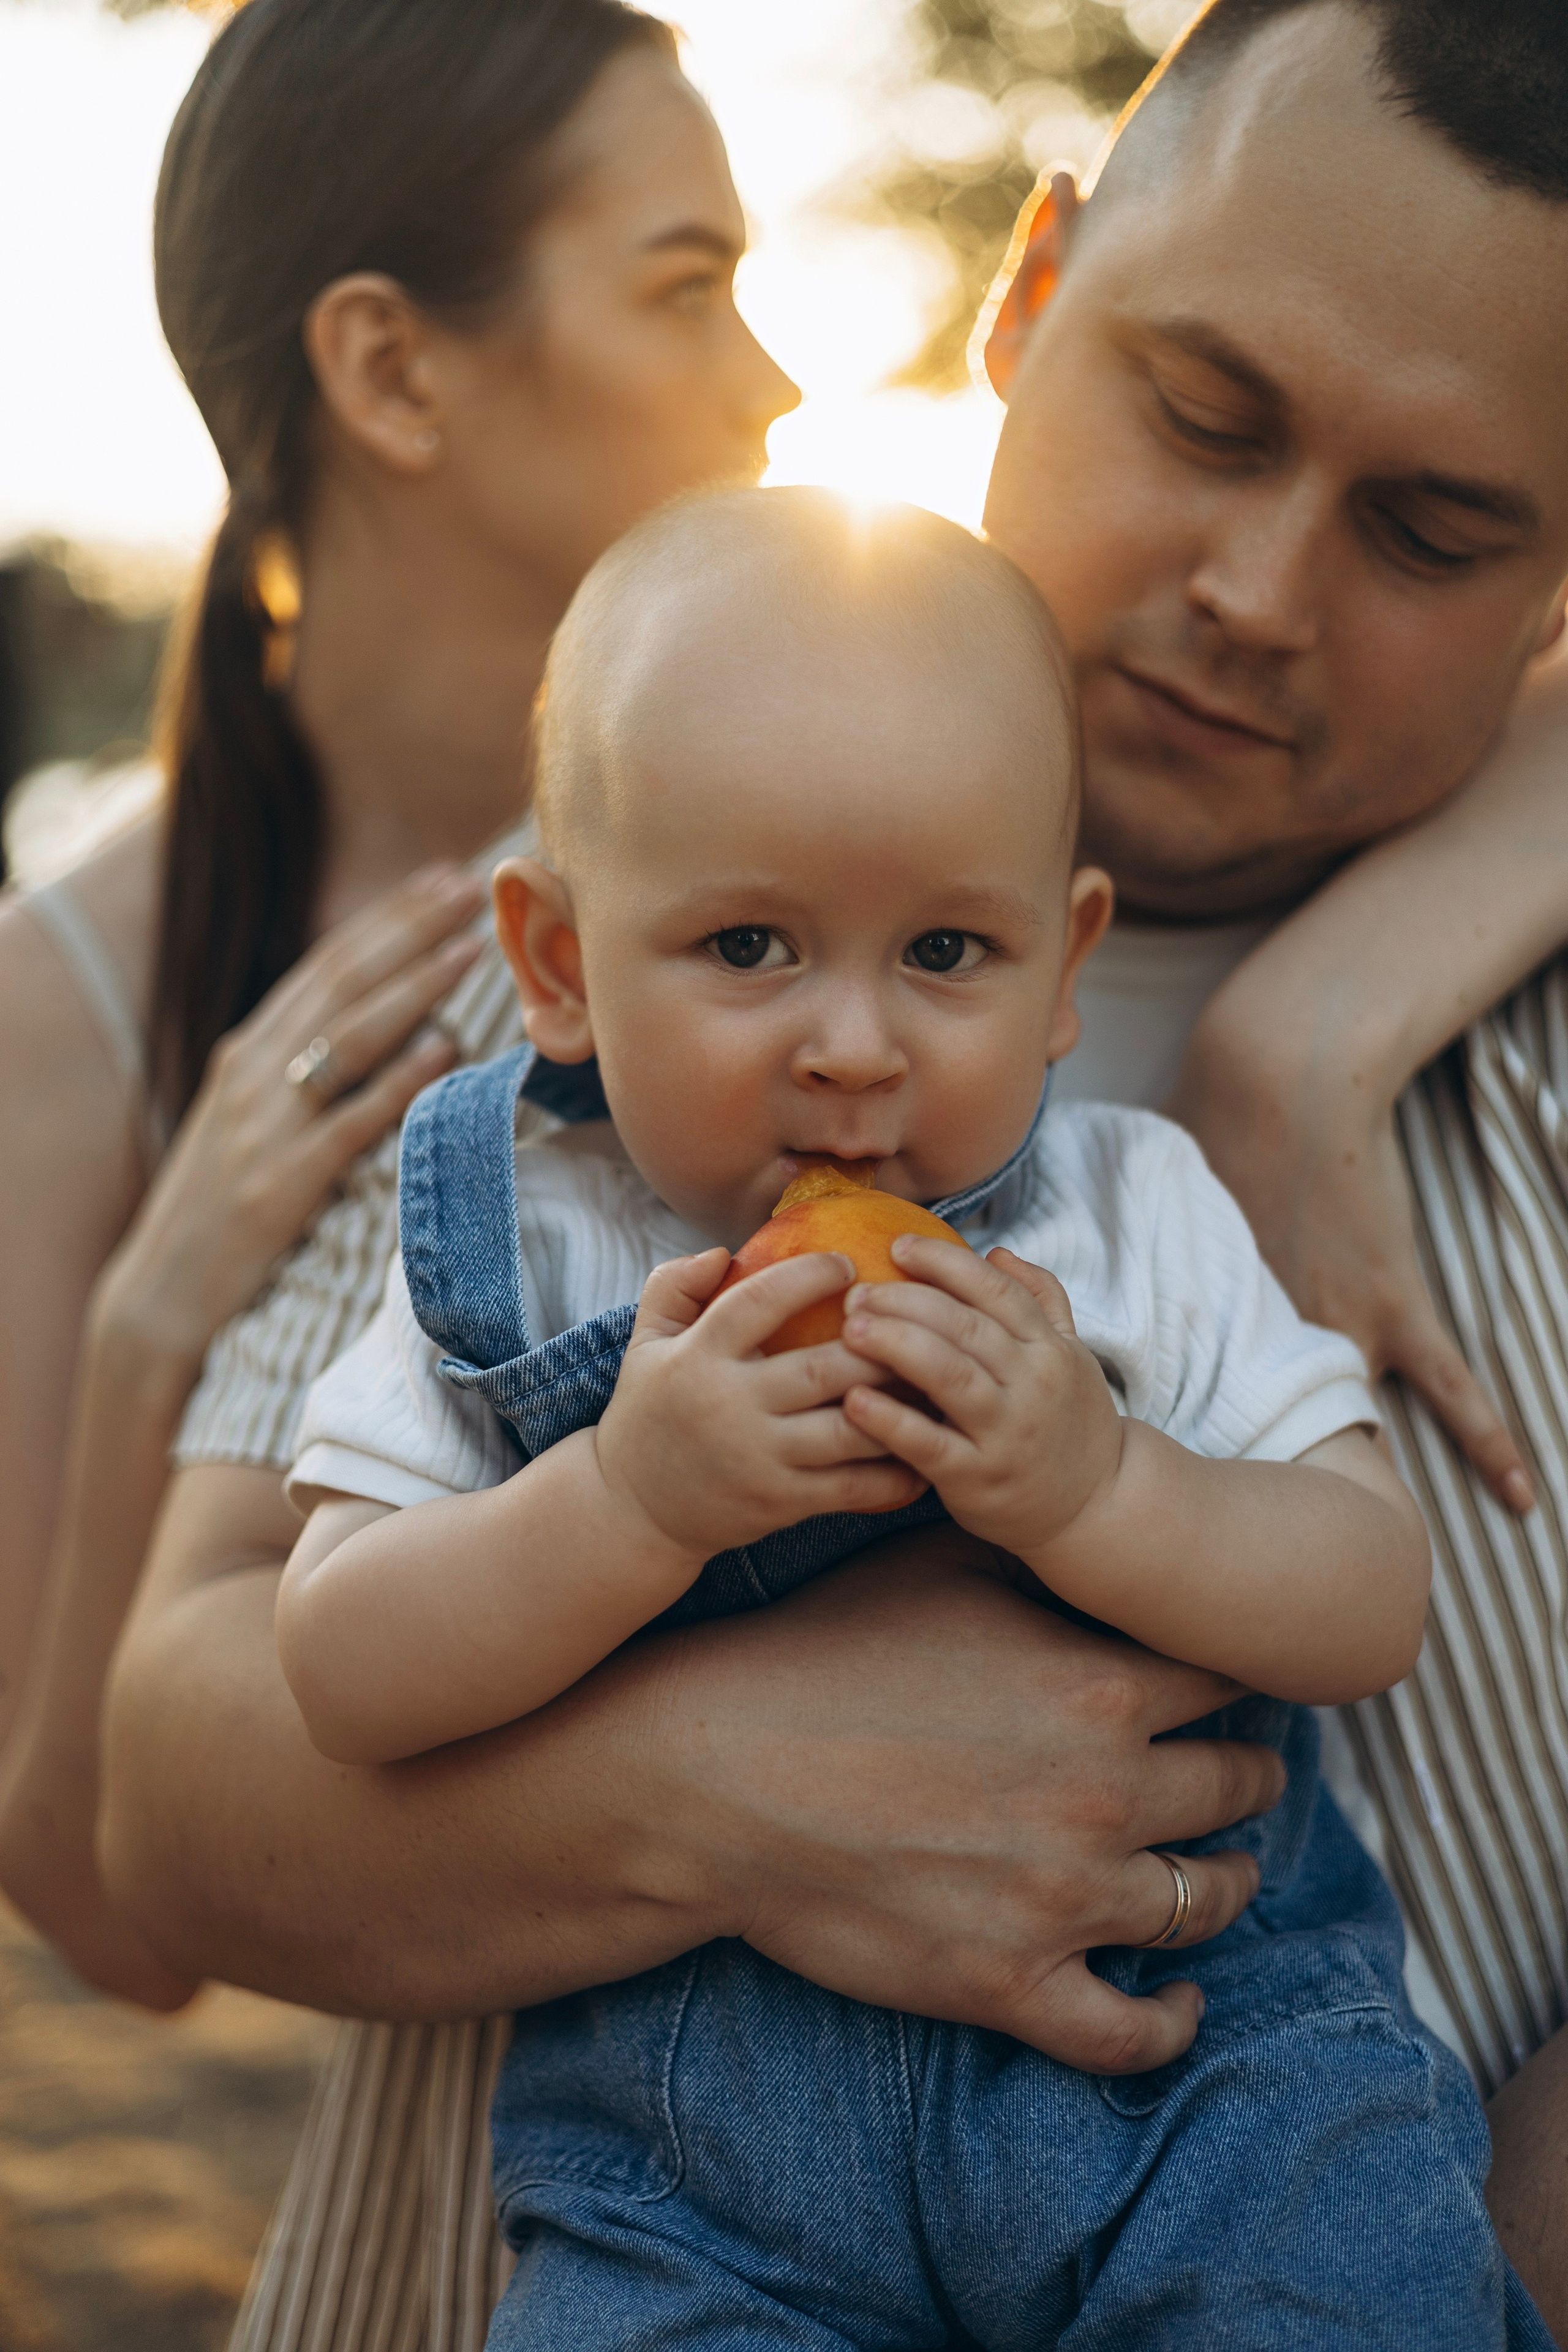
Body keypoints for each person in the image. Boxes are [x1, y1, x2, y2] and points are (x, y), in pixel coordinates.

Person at [13, 0, 1568, 2342]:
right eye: (1201, 412)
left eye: (1434, 530)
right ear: (1027, 298)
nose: (1257, 587)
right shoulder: (550, 991)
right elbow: (160, 1799)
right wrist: (721, 1790)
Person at [266, 486, 1540, 2347]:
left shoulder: (1131, 1219)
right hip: (703, 2181)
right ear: (555, 961)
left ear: (1063, 965)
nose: (852, 1046)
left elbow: (1368, 1597)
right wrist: (627, 1501)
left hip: (1207, 2094)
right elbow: (339, 1664)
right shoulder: (520, 1247)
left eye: (947, 955)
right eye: (752, 948)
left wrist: (1100, 1486)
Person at [0, 0, 796, 2016]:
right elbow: (107, 1925)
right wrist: (148, 1334)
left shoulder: (830, 846)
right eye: (687, 290)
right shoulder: (67, 1007)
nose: (777, 384)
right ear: (390, 365)